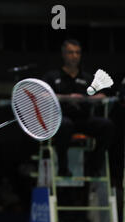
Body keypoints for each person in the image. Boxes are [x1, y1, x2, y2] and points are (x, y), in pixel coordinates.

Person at [43, 39, 114, 177]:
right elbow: (43, 95)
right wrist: (68, 98)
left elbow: (102, 96)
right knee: (65, 125)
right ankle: (63, 168)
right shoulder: (52, 76)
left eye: (77, 53)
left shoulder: (87, 78)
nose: (74, 56)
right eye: (70, 52)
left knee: (107, 126)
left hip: (84, 120)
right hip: (61, 120)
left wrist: (85, 99)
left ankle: (93, 166)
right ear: (63, 54)